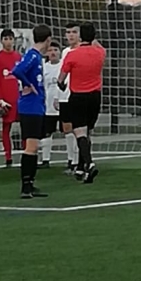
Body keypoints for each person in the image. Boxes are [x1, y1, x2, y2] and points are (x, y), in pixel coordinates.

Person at [57, 21, 105, 184]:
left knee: (80, 133)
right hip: (95, 96)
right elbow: (99, 47)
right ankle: (80, 168)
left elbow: (61, 78)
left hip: (78, 96)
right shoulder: (100, 53)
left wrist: (61, 85)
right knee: (87, 131)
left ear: (80, 36)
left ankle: (89, 163)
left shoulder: (72, 55)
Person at [10, 25, 52, 198]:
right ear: (48, 39)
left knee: (34, 147)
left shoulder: (36, 56)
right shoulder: (32, 55)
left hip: (36, 106)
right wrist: (28, 84)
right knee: (31, 146)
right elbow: (17, 71)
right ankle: (26, 186)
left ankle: (30, 184)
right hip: (30, 107)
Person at [0, 28, 21, 167]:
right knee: (6, 127)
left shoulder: (18, 56)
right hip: (6, 98)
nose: (8, 42)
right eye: (6, 39)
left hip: (19, 97)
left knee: (25, 125)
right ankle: (8, 156)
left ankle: (26, 152)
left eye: (10, 39)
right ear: (1, 41)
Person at [58, 23, 81, 174]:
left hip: (79, 93)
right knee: (67, 129)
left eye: (74, 32)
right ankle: (71, 160)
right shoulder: (65, 52)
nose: (71, 35)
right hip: (64, 94)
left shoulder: (83, 50)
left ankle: (80, 161)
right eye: (68, 32)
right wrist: (57, 95)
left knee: (79, 128)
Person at [40, 41, 63, 167]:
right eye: (50, 50)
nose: (53, 53)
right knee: (47, 132)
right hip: (48, 105)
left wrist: (58, 97)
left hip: (63, 102)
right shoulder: (44, 67)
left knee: (68, 131)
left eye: (55, 50)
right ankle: (45, 159)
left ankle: (72, 160)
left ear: (60, 52)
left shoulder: (64, 65)